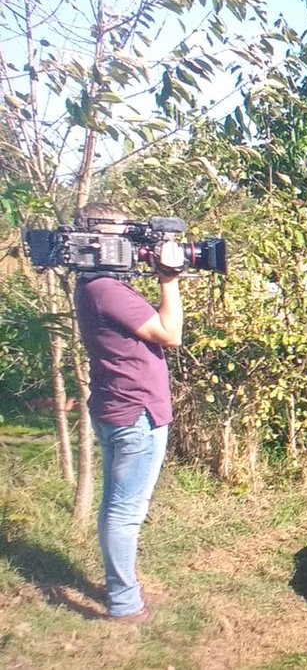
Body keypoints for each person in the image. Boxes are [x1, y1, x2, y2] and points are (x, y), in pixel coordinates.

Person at [73, 203, 186, 624]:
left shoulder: (93, 285)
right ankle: (124, 602)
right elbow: (169, 333)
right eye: (123, 235)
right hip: (134, 412)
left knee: (118, 507)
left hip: (120, 406)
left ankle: (123, 590)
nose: (131, 245)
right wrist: (169, 281)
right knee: (124, 511)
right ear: (97, 240)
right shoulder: (106, 289)